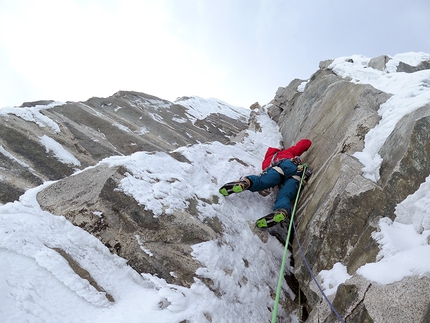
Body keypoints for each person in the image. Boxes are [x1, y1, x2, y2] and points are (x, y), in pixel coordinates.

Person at [219, 139, 312, 228]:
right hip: (295, 171)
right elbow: (305, 143)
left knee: (262, 182)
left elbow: (266, 173)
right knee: (286, 195)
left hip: (277, 169)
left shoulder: (267, 161)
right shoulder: (285, 152)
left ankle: (246, 183)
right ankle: (282, 210)